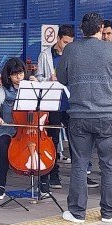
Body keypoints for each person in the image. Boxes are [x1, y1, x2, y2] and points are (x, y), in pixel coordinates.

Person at [56, 12, 112, 224]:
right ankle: (108, 212)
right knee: (108, 164)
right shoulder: (111, 48)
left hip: (79, 116)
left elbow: (62, 77)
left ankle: (77, 213)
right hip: (107, 115)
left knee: (79, 163)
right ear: (100, 29)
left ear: (81, 30)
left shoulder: (71, 49)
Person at [0, 57, 51, 201]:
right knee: (3, 147)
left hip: (32, 129)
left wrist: (38, 86)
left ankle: (43, 185)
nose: (19, 77)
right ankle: (0, 186)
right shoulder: (4, 90)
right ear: (8, 75)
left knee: (42, 148)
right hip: (10, 131)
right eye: (14, 75)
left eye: (21, 74)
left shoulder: (32, 86)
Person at [36, 24, 75, 189]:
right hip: (53, 102)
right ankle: (53, 173)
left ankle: (80, 174)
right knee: (52, 138)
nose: (67, 45)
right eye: (65, 42)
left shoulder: (73, 54)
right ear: (58, 39)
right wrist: (48, 80)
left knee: (76, 138)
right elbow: (38, 77)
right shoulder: (45, 55)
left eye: (70, 42)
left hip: (70, 101)